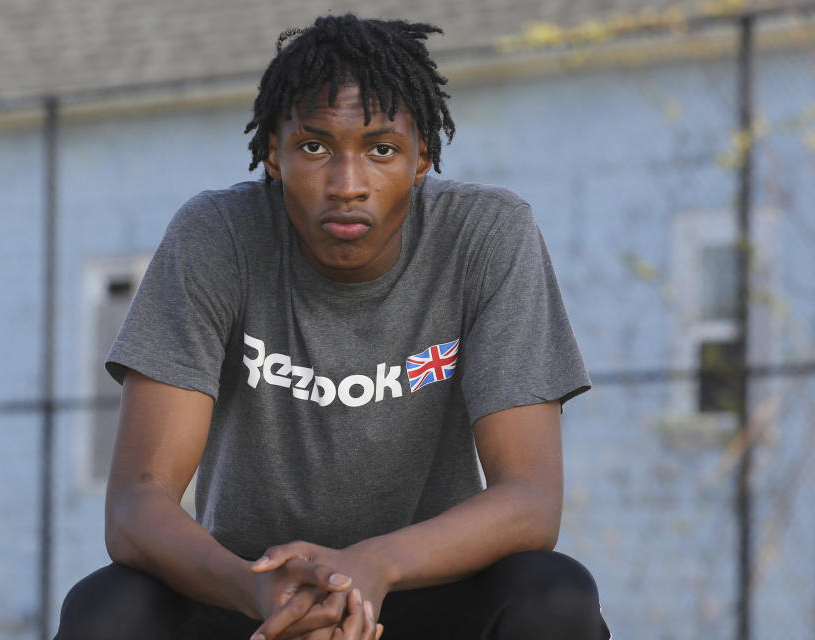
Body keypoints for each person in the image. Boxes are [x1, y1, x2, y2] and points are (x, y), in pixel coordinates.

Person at [55, 13, 610, 640]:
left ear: (422, 156)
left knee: (556, 597)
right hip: (252, 593)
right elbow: (135, 505)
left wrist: (372, 567)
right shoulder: (216, 237)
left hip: (420, 583)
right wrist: (260, 591)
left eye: (381, 149)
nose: (348, 185)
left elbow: (530, 501)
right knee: (107, 609)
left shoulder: (485, 237)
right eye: (315, 146)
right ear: (273, 153)